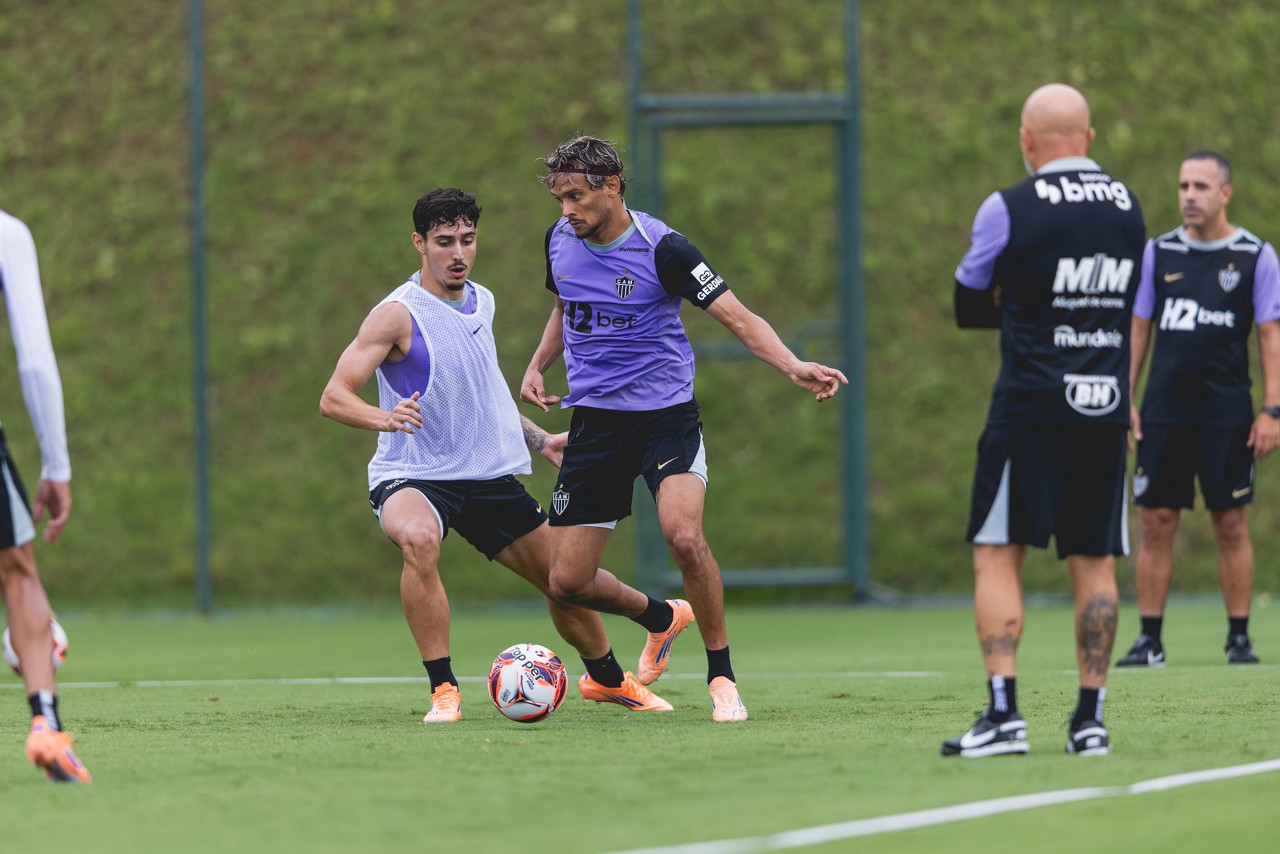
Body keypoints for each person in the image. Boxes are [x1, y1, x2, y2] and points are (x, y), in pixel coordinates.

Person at [520, 136, 848, 723]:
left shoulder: (663, 249)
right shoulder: (559, 240)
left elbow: (739, 316)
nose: (565, 210)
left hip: (665, 419)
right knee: (566, 582)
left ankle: (722, 676)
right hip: (596, 424)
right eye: (558, 198)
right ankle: (660, 617)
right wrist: (537, 363)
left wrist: (793, 363)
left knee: (684, 536)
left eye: (575, 196)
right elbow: (567, 304)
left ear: (611, 186)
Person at [320, 187, 678, 722]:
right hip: (412, 474)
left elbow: (483, 394)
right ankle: (444, 690)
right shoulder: (395, 316)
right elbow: (333, 396)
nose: (458, 252)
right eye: (444, 242)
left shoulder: (482, 300)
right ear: (419, 243)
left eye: (467, 240)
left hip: (485, 475)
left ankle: (608, 679)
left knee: (563, 580)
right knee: (419, 539)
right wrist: (383, 417)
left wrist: (538, 437)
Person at [941, 84, 1146, 758]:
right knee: (1095, 562)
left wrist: (1018, 299)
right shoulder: (1128, 208)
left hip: (1029, 404)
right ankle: (1090, 720)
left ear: (1027, 142)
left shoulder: (1008, 205)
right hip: (1103, 408)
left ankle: (1004, 716)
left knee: (999, 552)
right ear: (1088, 139)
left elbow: (969, 303)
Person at [1117, 151, 1280, 668]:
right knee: (1157, 521)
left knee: (1230, 522)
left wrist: (1273, 409)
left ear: (1224, 194)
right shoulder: (1157, 252)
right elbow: (1139, 328)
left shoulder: (1257, 255)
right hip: (1164, 411)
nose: (1189, 194)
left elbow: (1270, 334)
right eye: (1183, 184)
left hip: (1227, 413)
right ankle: (1149, 640)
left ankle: (1238, 638)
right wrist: (1127, 398)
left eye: (1201, 186)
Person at [0, 205, 90, 782]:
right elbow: (34, 361)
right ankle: (46, 727)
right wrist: (55, 463)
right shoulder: (7, 232)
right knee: (18, 571)